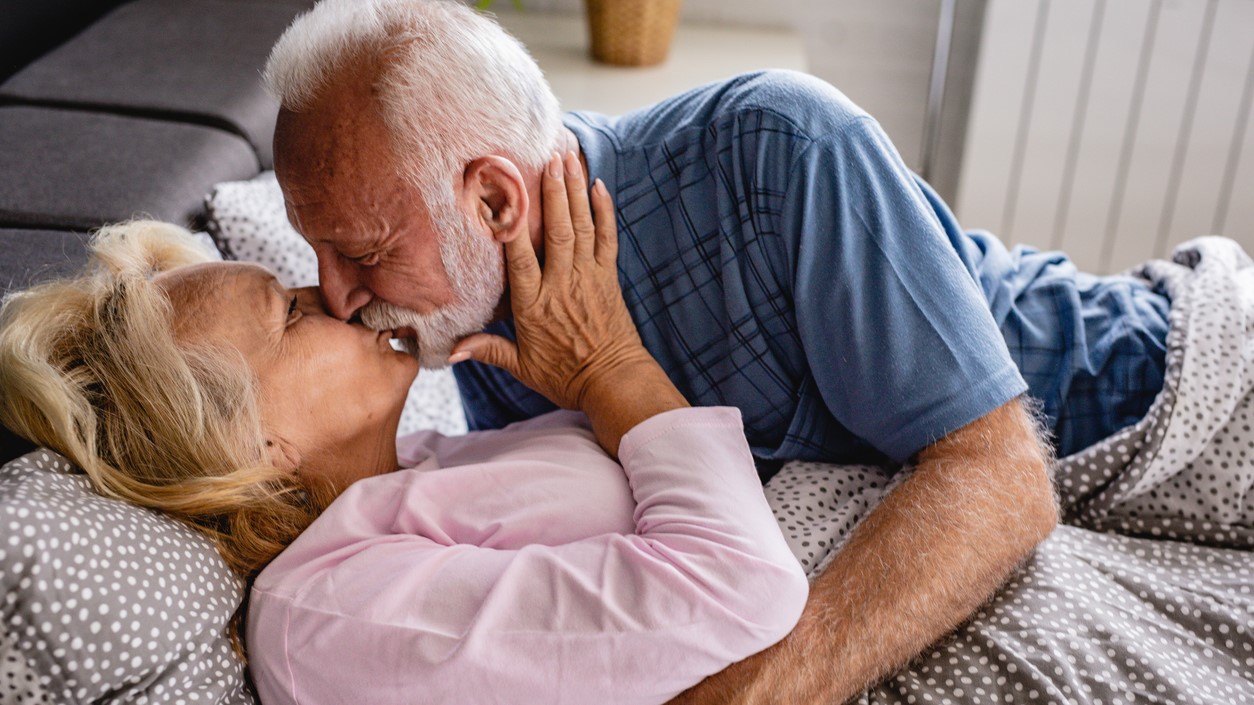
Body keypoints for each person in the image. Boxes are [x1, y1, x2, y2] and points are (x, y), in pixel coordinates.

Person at [262, 1, 1075, 701]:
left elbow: (1001, 474)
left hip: (1094, 371)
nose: (336, 296)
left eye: (362, 252)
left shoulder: (778, 146)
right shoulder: (473, 315)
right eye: (315, 251)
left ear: (497, 201)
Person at [0, 167, 808, 705]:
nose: (335, 295)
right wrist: (611, 368)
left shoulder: (416, 466)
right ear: (254, 445)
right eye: (290, 312)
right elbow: (740, 583)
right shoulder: (330, 614)